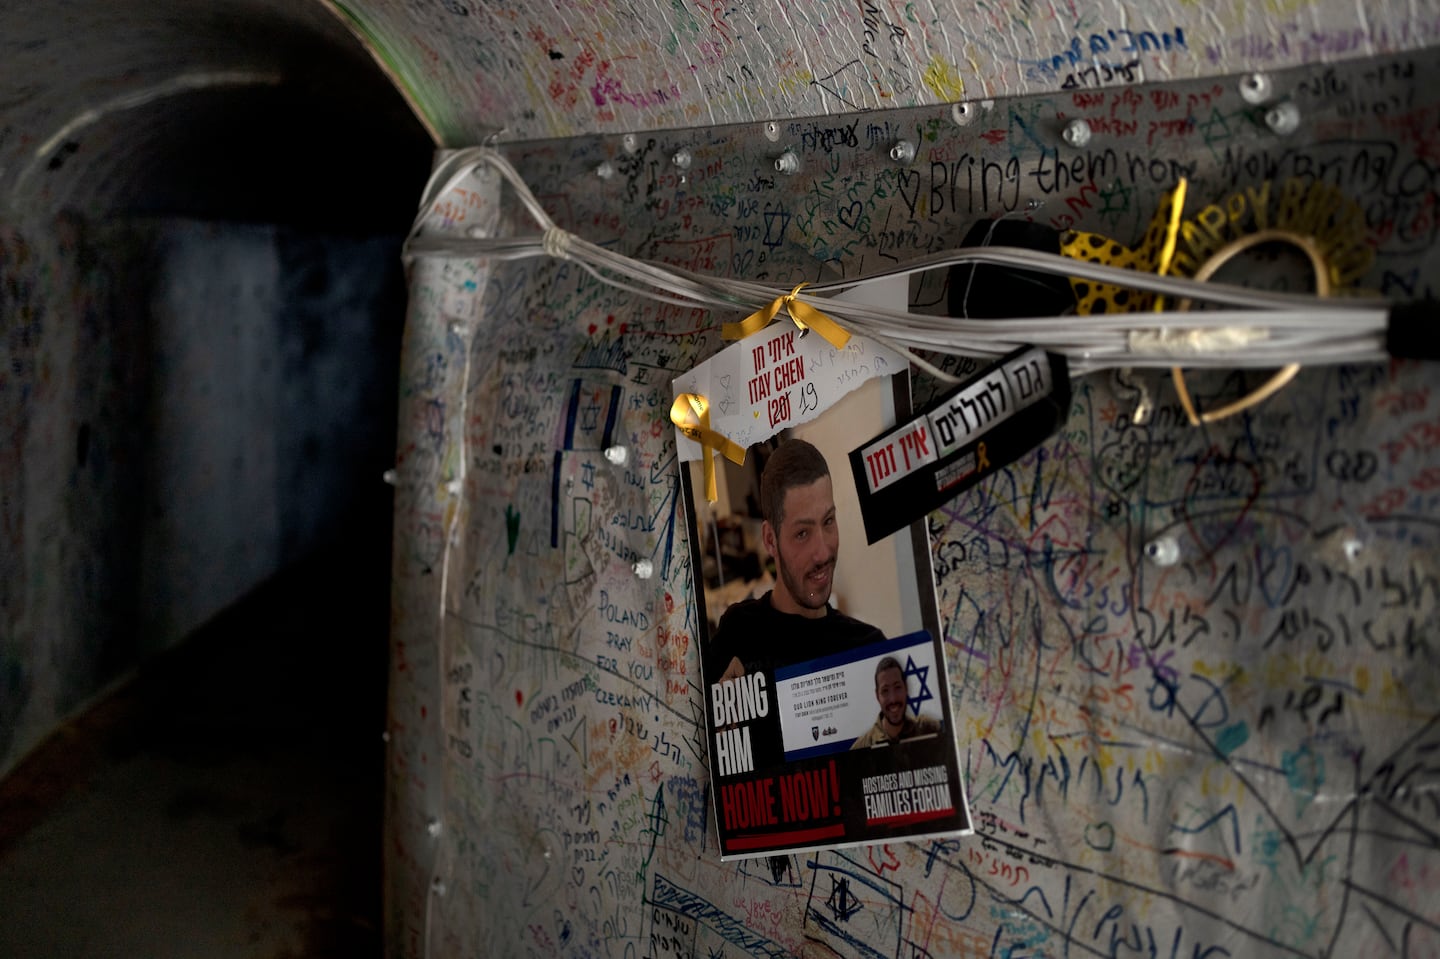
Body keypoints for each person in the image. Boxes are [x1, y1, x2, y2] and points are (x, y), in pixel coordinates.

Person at [704, 438, 884, 769]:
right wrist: (717, 727)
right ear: (770, 539)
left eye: (828, 522)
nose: (824, 552)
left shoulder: (869, 649)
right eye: (802, 534)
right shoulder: (739, 634)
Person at [851, 656, 942, 749]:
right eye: (885, 691)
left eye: (897, 687)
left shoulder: (928, 728)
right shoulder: (861, 747)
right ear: (877, 696)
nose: (893, 699)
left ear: (906, 688)